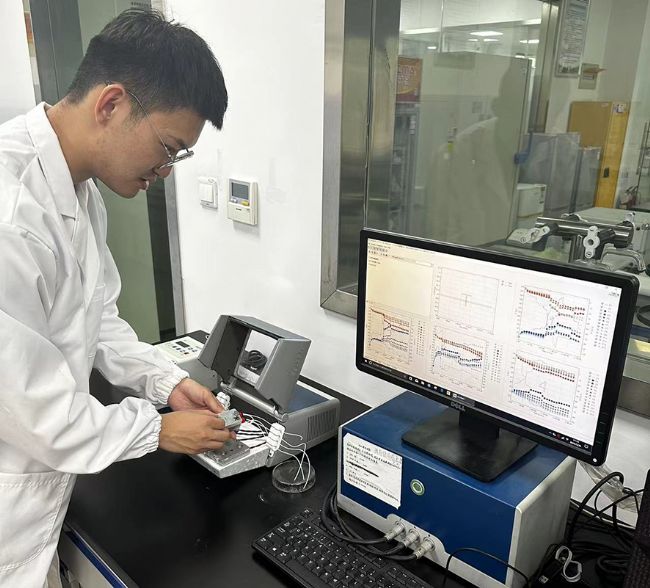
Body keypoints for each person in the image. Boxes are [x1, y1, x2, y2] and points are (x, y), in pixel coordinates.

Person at [0, 9, 230, 587]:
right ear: (111, 104)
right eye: (169, 148)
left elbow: (98, 318)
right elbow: (34, 409)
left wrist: (164, 381)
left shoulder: (80, 193)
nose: (166, 171)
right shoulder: (10, 212)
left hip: (38, 500)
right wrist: (157, 430)